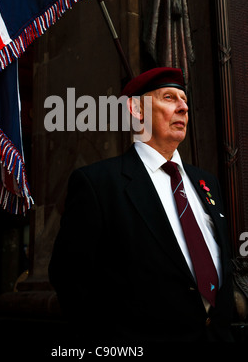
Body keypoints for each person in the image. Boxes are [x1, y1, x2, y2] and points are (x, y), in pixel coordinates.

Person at [48, 67, 234, 344]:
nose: (183, 107)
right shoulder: (99, 184)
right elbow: (70, 280)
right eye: (169, 97)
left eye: (184, 100)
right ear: (136, 109)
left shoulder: (207, 183)